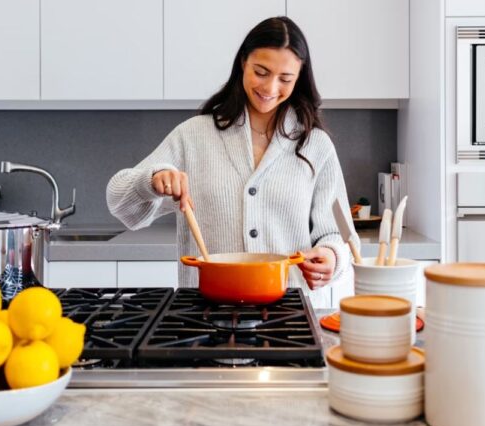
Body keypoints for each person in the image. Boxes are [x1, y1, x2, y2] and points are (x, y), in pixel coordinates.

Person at [106, 16, 358, 302]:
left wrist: (331, 256)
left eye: (285, 78)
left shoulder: (315, 145)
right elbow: (119, 202)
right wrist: (151, 181)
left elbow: (338, 235)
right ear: (243, 63)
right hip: (204, 312)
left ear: (299, 79)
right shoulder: (194, 135)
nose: (271, 88)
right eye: (261, 72)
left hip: (289, 314)